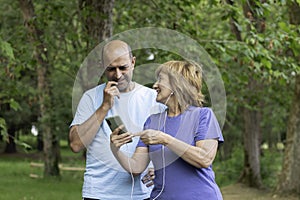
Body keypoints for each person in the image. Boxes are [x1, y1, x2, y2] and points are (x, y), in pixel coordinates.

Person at [111, 60, 224, 200]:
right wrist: (115, 149)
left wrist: (165, 139)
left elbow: (204, 158)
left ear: (177, 85)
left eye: (160, 80)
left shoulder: (203, 115)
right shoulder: (152, 121)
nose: (154, 85)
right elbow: (136, 168)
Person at [69, 40, 162, 200]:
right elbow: (76, 144)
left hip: (143, 194)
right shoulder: (91, 98)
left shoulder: (153, 98)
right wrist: (104, 106)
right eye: (111, 69)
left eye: (123, 67)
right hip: (99, 193)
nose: (118, 75)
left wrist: (160, 168)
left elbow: (172, 141)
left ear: (133, 63)